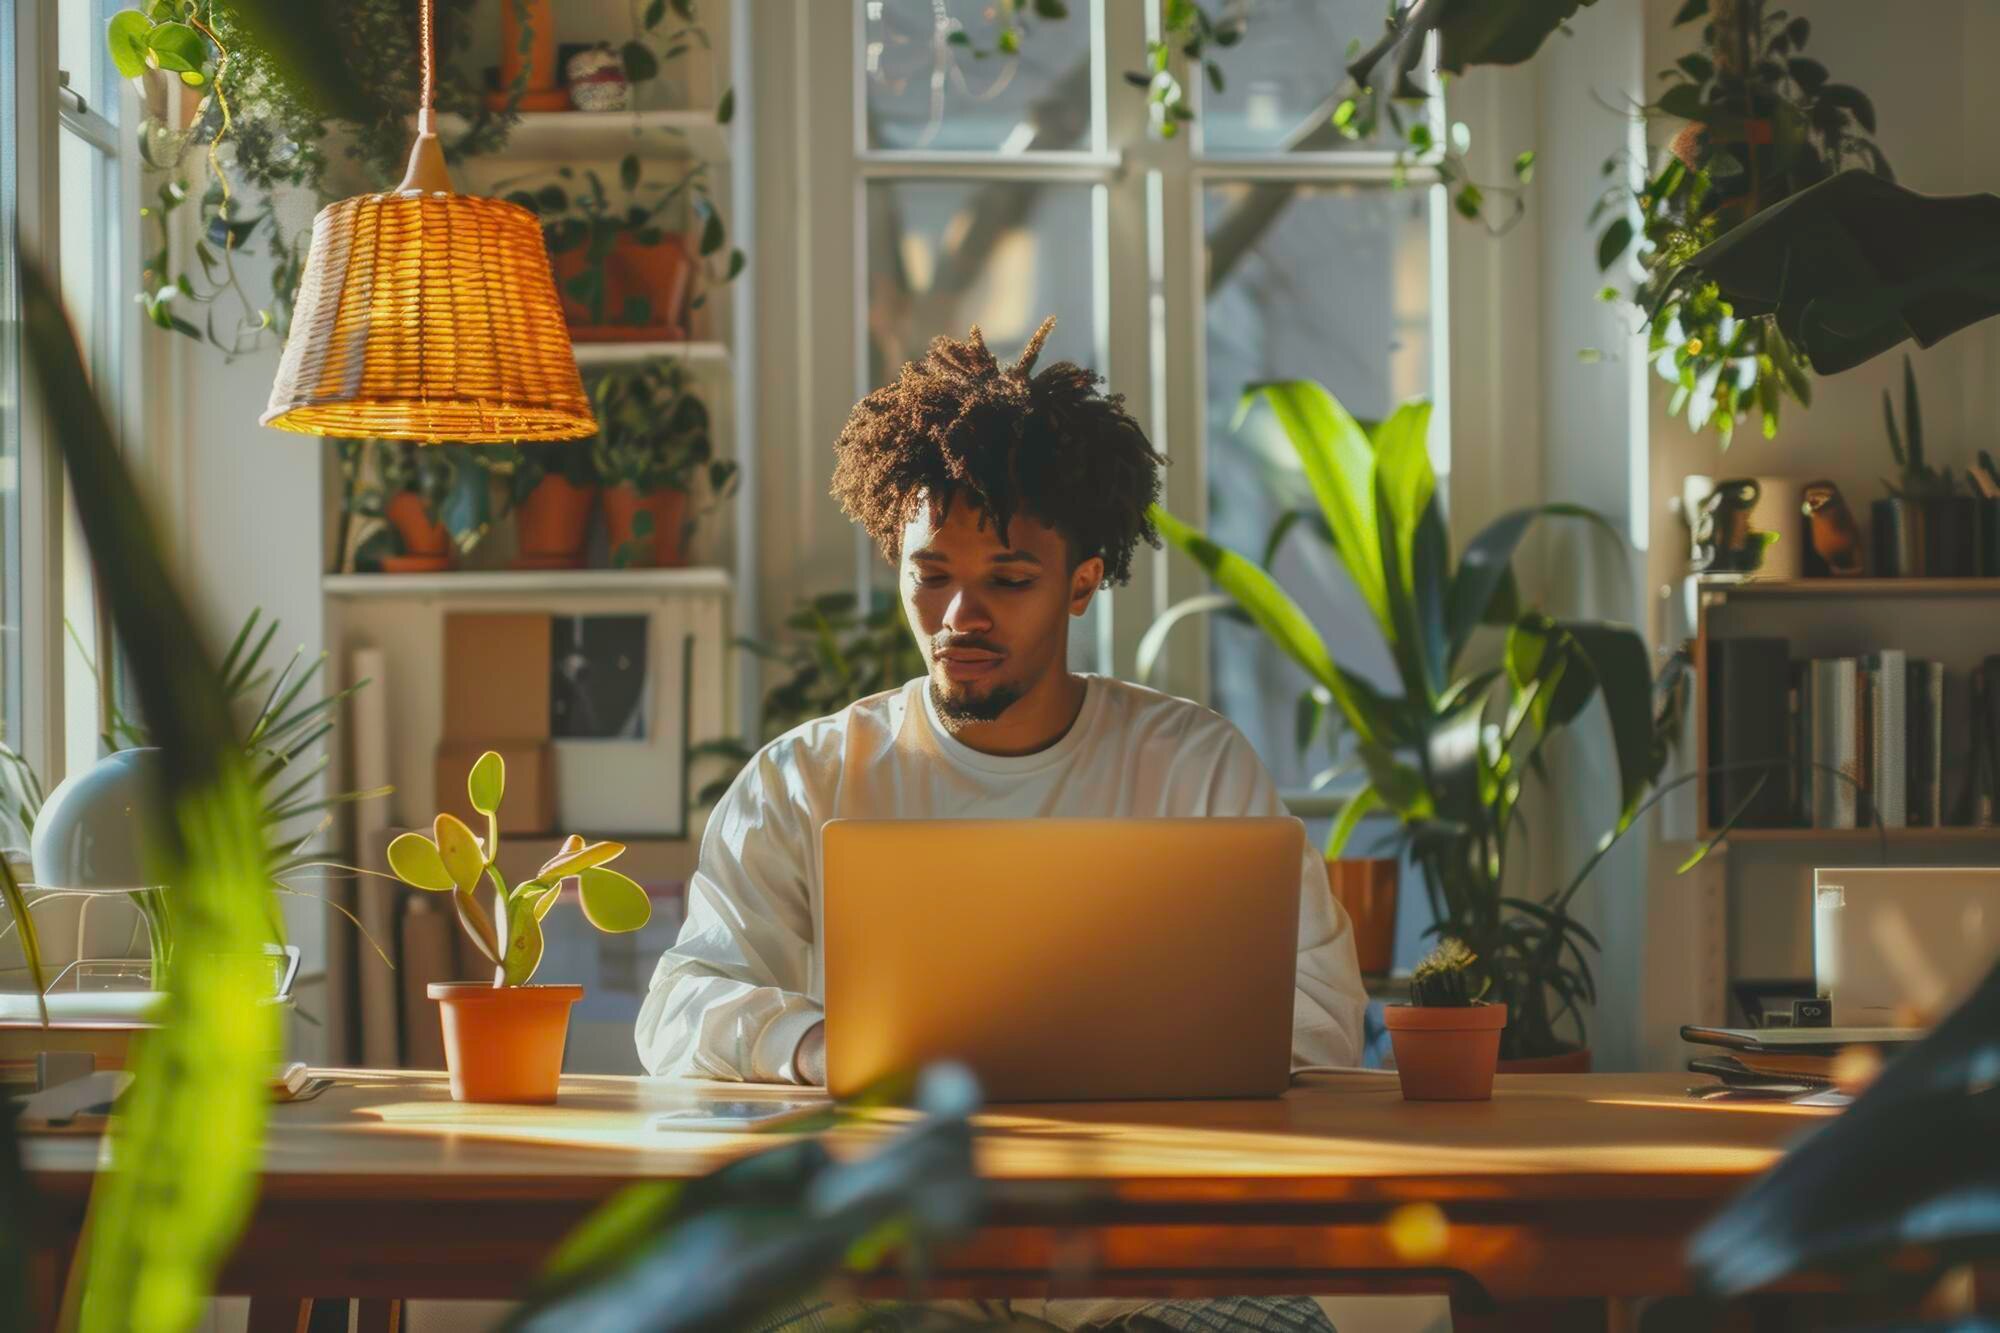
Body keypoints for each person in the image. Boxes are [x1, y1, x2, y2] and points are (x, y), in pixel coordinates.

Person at [636, 316, 1366, 1088]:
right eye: (931, 575)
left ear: (1081, 584)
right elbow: (680, 1009)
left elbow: (1323, 1018)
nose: (960, 617)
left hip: (1144, 1174)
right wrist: (821, 1045)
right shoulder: (803, 780)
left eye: (1009, 581)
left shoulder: (1197, 766)